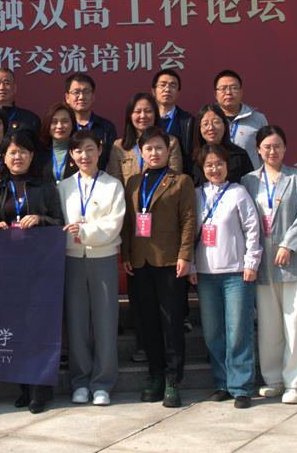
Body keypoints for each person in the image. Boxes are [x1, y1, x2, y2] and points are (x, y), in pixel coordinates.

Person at [119, 127, 195, 409]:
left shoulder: (181, 181)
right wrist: (126, 253)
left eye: (159, 148)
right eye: (148, 148)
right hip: (140, 262)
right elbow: (129, 222)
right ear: (141, 152)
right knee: (147, 322)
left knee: (171, 322)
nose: (154, 153)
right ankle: (155, 376)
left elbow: (189, 220)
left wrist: (185, 256)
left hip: (170, 262)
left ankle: (173, 379)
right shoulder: (133, 182)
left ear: (168, 150)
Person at [0, 131, 63, 414]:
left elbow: (60, 222)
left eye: (23, 152)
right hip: (8, 269)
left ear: (32, 156)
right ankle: (23, 387)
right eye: (12, 152)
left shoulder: (45, 187)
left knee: (38, 327)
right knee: (15, 328)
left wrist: (41, 218)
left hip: (41, 267)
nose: (17, 157)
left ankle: (39, 390)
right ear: (4, 158)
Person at [241, 126, 297, 405]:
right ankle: (273, 379)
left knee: (295, 323)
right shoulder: (248, 180)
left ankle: (294, 382)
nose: (272, 151)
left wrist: (288, 244)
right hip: (263, 261)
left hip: (293, 259)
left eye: (277, 146)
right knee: (269, 323)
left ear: (285, 148)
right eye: (267, 147)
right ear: (258, 150)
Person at [191, 144, 262, 409]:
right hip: (205, 274)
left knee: (239, 330)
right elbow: (189, 232)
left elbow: (252, 229)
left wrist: (251, 262)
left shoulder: (238, 192)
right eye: (209, 165)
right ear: (202, 168)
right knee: (213, 332)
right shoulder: (196, 195)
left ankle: (241, 386)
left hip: (236, 273)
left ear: (227, 166)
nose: (215, 169)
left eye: (219, 164)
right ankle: (222, 383)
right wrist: (191, 266)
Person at [59, 130, 125, 407]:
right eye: (78, 151)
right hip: (72, 258)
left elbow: (114, 223)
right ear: (71, 155)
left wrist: (85, 231)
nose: (84, 155)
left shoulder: (113, 185)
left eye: (89, 149)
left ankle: (102, 383)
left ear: (99, 150)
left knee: (105, 321)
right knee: (76, 322)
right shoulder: (64, 186)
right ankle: (80, 381)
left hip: (103, 257)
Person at [106, 92, 183, 183]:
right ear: (130, 116)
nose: (143, 116)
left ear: (155, 114)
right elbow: (114, 181)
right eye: (138, 111)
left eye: (148, 111)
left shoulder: (171, 142)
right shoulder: (119, 146)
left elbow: (174, 178)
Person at [213, 70, 268, 168]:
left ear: (241, 92)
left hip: (250, 176)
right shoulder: (208, 120)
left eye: (234, 88)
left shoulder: (258, 119)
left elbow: (267, 154)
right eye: (223, 88)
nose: (228, 92)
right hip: (217, 175)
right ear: (215, 94)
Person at [63, 74, 118, 168]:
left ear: (93, 97)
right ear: (67, 97)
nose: (81, 97)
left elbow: (112, 163)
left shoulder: (106, 127)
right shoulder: (62, 128)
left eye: (86, 92)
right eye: (76, 92)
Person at [191, 104, 254, 186]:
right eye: (205, 124)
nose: (211, 128)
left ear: (224, 125)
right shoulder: (193, 158)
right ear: (199, 128)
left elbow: (250, 186)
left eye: (216, 122)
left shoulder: (239, 155)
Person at [152, 69, 195, 173]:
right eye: (163, 85)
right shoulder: (146, 119)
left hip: (178, 176)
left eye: (173, 86)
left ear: (178, 93)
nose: (167, 89)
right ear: (153, 91)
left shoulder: (188, 121)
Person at [38, 103, 77, 185]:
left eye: (65, 121)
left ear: (72, 124)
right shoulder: (39, 152)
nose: (59, 126)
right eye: (54, 122)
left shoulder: (79, 151)